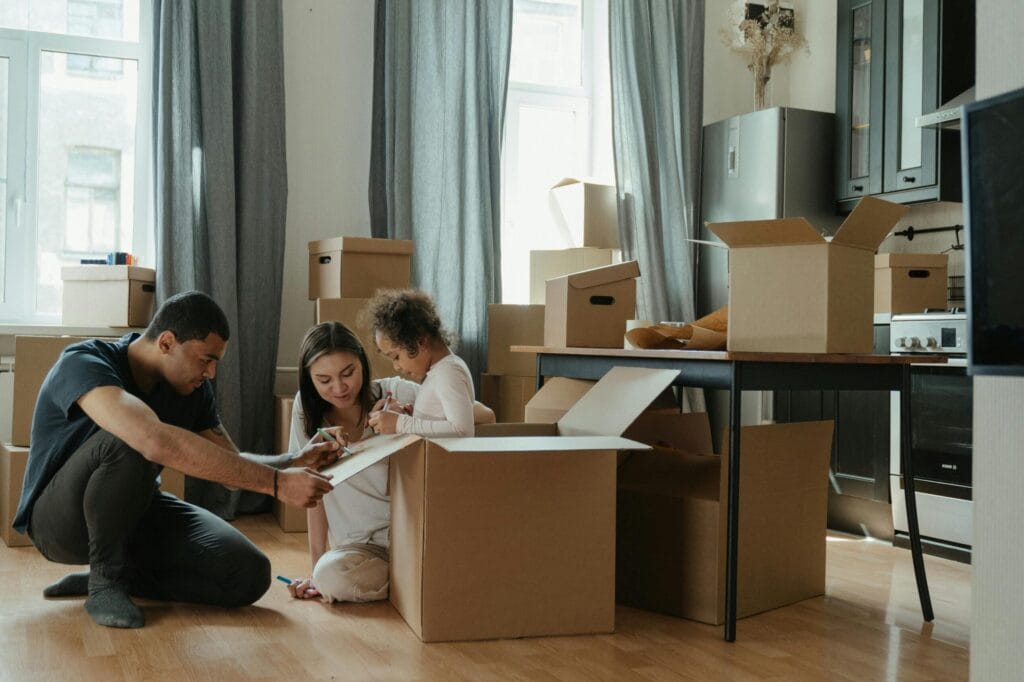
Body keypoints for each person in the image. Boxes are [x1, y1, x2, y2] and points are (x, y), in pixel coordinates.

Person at [13, 291, 339, 629]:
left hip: (134, 513)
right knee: (131, 438)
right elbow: (150, 439)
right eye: (205, 359)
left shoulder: (192, 389)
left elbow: (229, 465)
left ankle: (122, 575)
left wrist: (291, 462)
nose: (211, 373)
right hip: (58, 524)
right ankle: (105, 582)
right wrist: (276, 485)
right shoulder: (84, 362)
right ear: (167, 342)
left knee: (249, 575)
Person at [285, 319, 491, 603]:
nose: (340, 387)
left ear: (363, 364)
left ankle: (418, 578)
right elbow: (312, 493)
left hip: (412, 536)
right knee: (329, 577)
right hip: (359, 549)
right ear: (309, 379)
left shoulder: (396, 392)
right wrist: (315, 569)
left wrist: (408, 419)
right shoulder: (305, 412)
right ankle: (420, 581)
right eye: (324, 380)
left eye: (349, 373)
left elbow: (484, 415)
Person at [363, 289, 475, 437]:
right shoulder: (438, 372)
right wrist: (410, 417)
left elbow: (463, 431)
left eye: (396, 357)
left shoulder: (448, 372)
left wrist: (400, 423)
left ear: (420, 340)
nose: (396, 367)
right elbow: (438, 425)